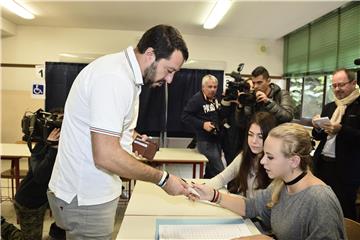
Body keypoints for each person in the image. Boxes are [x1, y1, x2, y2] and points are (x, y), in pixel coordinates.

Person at [47, 25, 191, 239]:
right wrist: (162, 179)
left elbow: (106, 130)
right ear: (150, 55)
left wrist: (131, 137)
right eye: (169, 71)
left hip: (92, 191)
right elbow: (105, 155)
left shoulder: (126, 76)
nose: (170, 80)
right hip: (86, 195)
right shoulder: (114, 78)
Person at [190, 123, 346, 240]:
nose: (263, 161)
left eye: (270, 157)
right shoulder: (281, 184)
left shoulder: (319, 200)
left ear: (294, 161)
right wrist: (212, 195)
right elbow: (250, 206)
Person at [312, 68, 360, 221]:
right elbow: (318, 136)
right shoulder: (330, 106)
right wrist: (317, 127)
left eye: (341, 85)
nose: (337, 89)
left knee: (343, 208)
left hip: (347, 168)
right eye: (334, 85)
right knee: (320, 203)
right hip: (323, 164)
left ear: (353, 83)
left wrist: (342, 129)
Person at [1, 126, 65, 240]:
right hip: (29, 202)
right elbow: (40, 176)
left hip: (47, 200)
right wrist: (53, 148)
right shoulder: (41, 147)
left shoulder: (67, 147)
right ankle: (3, 226)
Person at [207, 112, 276, 197]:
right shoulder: (244, 156)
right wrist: (198, 189)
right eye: (250, 135)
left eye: (260, 136)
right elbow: (221, 178)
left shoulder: (276, 164)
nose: (254, 141)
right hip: (243, 207)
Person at [182, 74, 224, 178]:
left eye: (215, 87)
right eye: (210, 87)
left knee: (211, 171)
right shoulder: (196, 99)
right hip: (205, 141)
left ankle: (207, 190)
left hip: (216, 139)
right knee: (220, 170)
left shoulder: (215, 98)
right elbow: (185, 116)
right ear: (203, 87)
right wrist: (202, 124)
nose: (213, 90)